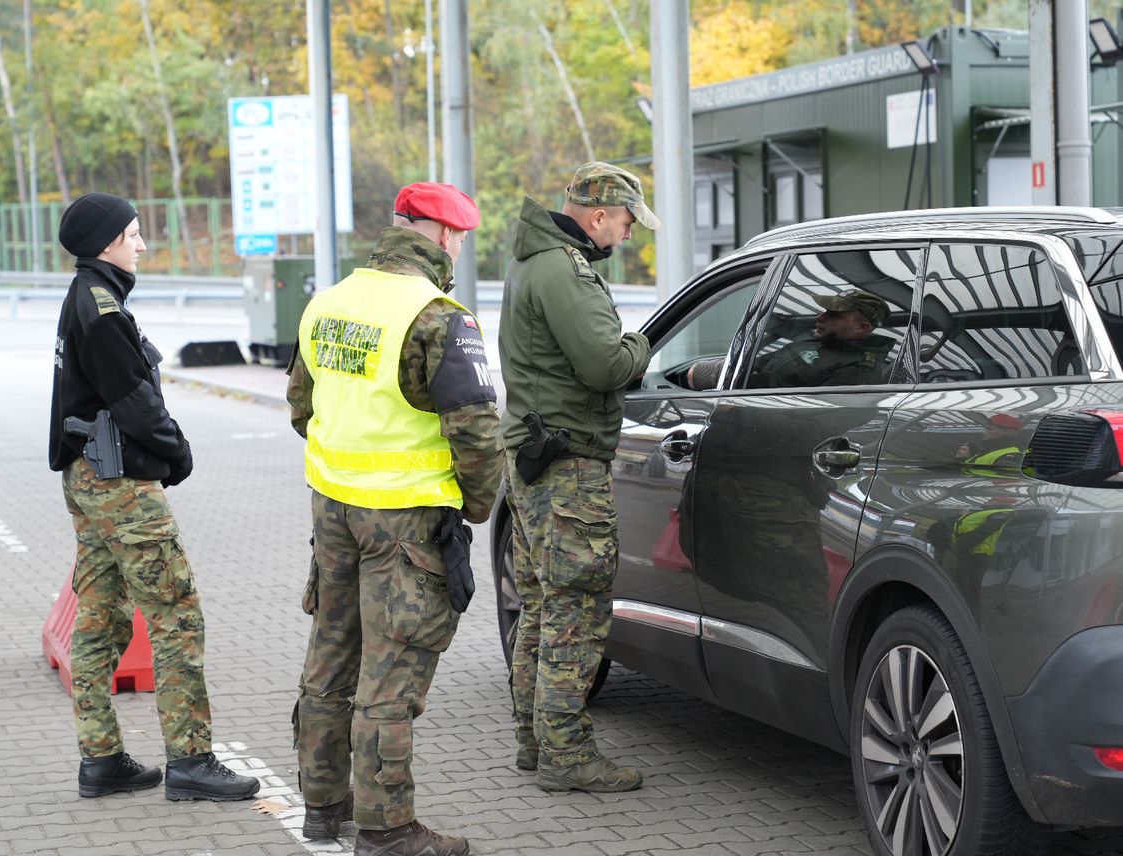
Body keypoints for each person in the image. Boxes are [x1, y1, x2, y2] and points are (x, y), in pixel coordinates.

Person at [287, 182, 503, 856]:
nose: (458, 248)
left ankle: (324, 808)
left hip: (333, 508)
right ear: (443, 236)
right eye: (459, 238)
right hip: (404, 519)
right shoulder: (437, 315)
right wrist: (474, 504)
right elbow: (476, 432)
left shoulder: (328, 302)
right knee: (391, 672)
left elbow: (302, 406)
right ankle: (387, 830)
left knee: (331, 656)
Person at [49, 192, 260, 802]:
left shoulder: (85, 295)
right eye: (135, 234)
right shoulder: (104, 308)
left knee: (101, 617)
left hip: (88, 480)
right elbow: (134, 401)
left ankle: (101, 758)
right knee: (176, 616)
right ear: (108, 242)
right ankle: (191, 761)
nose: (142, 244)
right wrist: (176, 449)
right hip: (118, 487)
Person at [498, 162, 656, 793]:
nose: (625, 236)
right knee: (575, 612)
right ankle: (567, 757)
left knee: (539, 606)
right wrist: (642, 344)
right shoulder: (565, 269)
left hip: (537, 461)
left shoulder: (531, 262)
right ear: (597, 216)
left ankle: (534, 742)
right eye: (623, 222)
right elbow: (605, 363)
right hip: (569, 468)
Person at [686, 288, 892, 390]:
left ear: (861, 328)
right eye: (824, 311)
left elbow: (811, 424)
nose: (819, 318)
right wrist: (718, 372)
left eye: (834, 315)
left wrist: (731, 411)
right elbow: (758, 363)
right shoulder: (818, 342)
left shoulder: (858, 373)